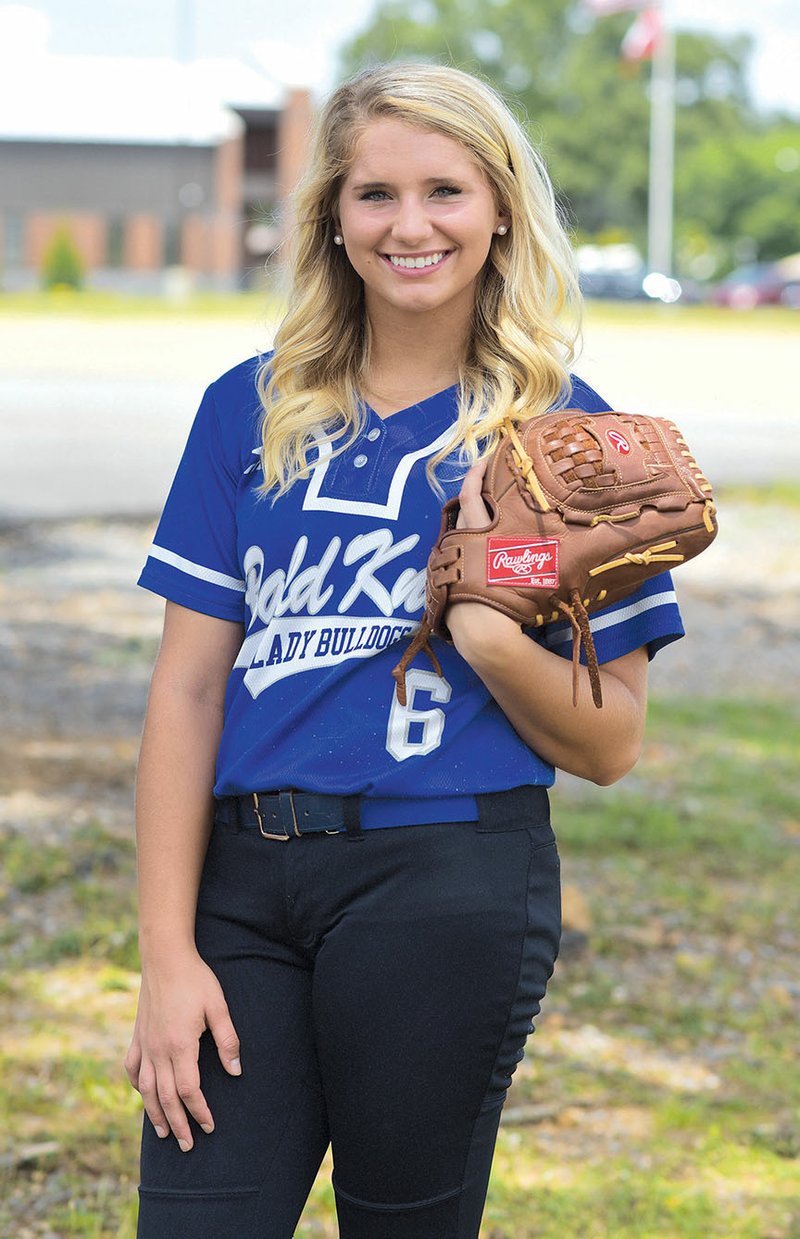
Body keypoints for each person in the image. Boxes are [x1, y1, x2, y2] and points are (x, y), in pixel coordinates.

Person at [126, 62, 684, 1238]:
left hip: (442, 883)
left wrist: (487, 633)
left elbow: (613, 742)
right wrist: (165, 955)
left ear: (497, 213)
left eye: (444, 190)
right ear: (333, 214)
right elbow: (184, 694)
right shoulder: (251, 409)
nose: (410, 225)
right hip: (241, 887)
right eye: (375, 193)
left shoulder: (565, 440)